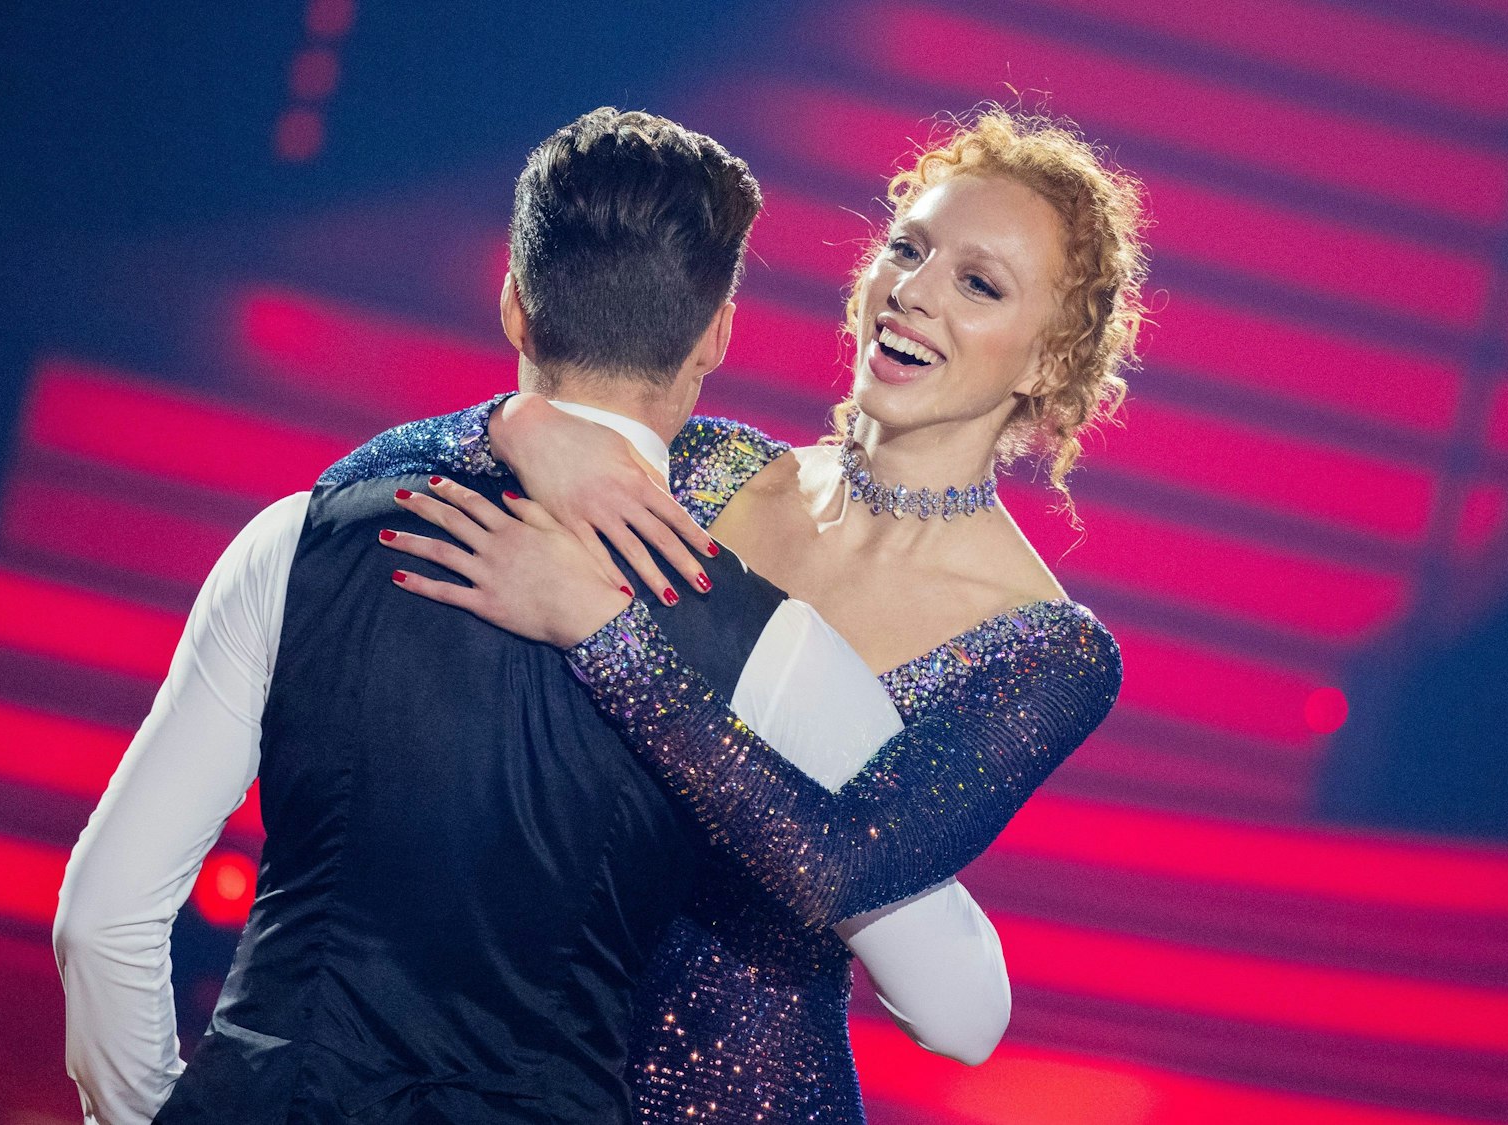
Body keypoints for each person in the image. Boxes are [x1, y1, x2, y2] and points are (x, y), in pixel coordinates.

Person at [52, 107, 1009, 1125]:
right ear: (715, 336)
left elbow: (101, 922)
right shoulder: (771, 651)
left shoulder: (296, 540)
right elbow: (962, 1011)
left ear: (513, 304)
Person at [372, 107, 1142, 1122]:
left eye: (977, 283)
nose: (910, 292)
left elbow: (838, 865)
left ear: (1046, 365)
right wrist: (514, 424)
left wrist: (603, 638)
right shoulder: (703, 465)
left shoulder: (1046, 650)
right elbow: (370, 497)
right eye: (904, 248)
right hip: (510, 1065)